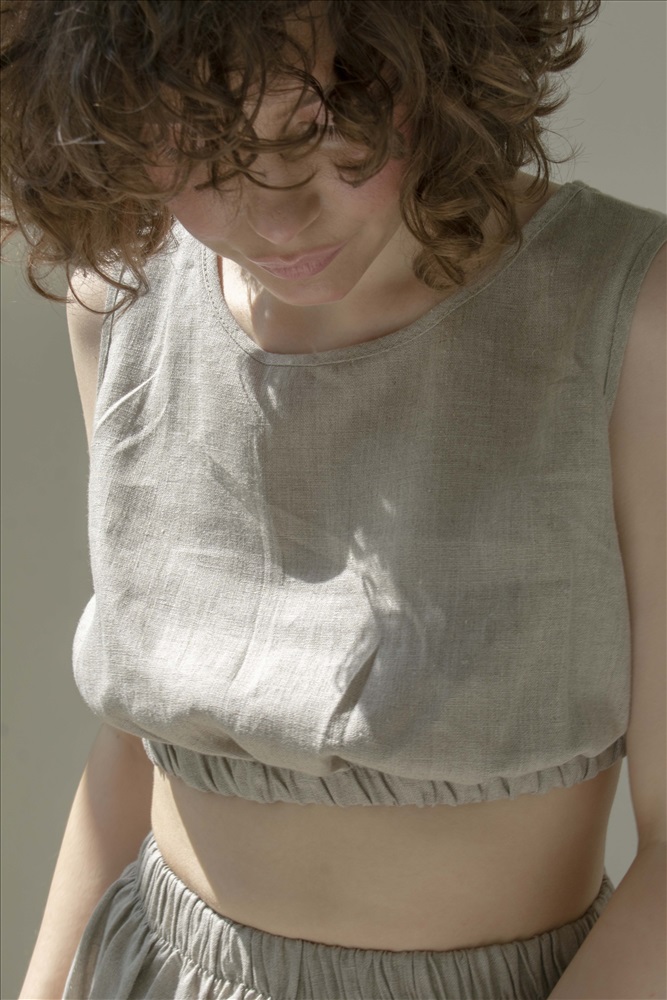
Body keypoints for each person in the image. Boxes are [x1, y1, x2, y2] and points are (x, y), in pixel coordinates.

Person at [2, 1, 665, 998]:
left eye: (314, 129)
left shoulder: (628, 318)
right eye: (200, 153)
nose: (276, 216)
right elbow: (146, 743)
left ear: (432, 58)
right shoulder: (123, 301)